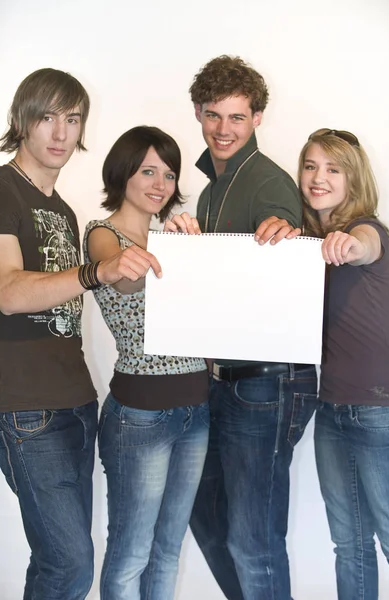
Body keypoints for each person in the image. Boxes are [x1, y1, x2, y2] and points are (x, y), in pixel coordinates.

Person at [0, 69, 161, 600]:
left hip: (75, 401)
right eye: (47, 117)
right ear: (21, 120)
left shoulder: (64, 211)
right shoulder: (3, 191)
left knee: (58, 563)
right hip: (26, 407)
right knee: (69, 567)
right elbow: (8, 290)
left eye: (72, 119)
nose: (60, 133)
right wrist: (96, 271)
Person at [165, 55, 318, 600]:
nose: (223, 130)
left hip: (267, 382)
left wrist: (290, 232)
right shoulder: (210, 191)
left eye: (236, 117)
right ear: (199, 114)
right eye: (213, 116)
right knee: (205, 513)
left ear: (256, 118)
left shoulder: (268, 183)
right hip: (221, 379)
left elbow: (288, 266)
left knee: (254, 540)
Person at [83, 125, 210, 600]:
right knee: (131, 554)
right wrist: (163, 251)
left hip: (196, 410)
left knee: (168, 550)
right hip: (141, 417)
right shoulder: (102, 234)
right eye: (148, 171)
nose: (161, 184)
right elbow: (124, 280)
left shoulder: (174, 238)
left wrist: (191, 250)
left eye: (170, 174)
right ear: (123, 173)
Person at [298, 128, 389, 599]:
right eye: (311, 166)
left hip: (378, 409)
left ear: (352, 179)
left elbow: (366, 245)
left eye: (333, 169)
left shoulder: (367, 230)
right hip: (331, 408)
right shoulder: (307, 244)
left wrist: (350, 245)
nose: (318, 177)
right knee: (349, 543)